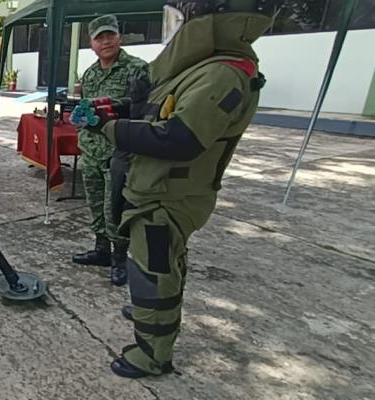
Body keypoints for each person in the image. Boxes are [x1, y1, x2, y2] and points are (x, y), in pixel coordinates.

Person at [102, 0, 271, 378]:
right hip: (156, 189)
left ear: (215, 20)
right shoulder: (200, 69)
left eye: (183, 20)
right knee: (162, 267)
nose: (176, 30)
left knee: (154, 273)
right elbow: (159, 112)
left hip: (170, 196)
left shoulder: (223, 74)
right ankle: (155, 313)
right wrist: (122, 109)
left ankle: (152, 354)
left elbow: (179, 138)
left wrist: (113, 129)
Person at [70, 15, 149, 286]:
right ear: (91, 43)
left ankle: (119, 259)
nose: (105, 41)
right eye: (99, 38)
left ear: (119, 37)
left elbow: (147, 106)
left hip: (120, 152)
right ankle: (101, 250)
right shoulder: (90, 74)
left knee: (114, 208)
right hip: (91, 150)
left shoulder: (138, 69)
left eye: (110, 35)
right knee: (95, 205)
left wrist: (110, 104)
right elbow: (86, 108)